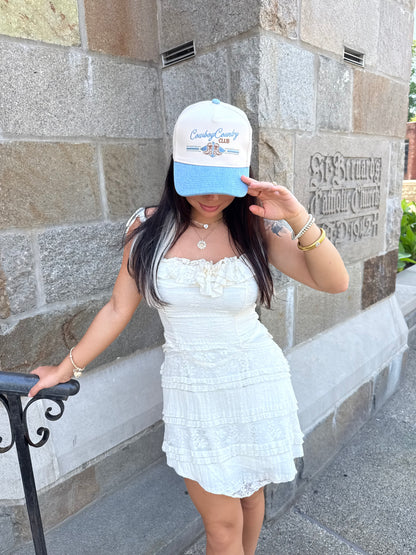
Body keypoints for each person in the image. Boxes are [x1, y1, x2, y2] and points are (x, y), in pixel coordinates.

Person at [28, 99, 349, 555]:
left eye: (223, 183)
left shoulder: (258, 228)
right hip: (193, 392)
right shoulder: (147, 229)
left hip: (255, 382)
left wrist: (296, 216)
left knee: (251, 497)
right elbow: (118, 308)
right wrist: (65, 369)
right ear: (177, 167)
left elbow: (335, 282)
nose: (212, 197)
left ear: (244, 174)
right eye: (199, 181)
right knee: (222, 526)